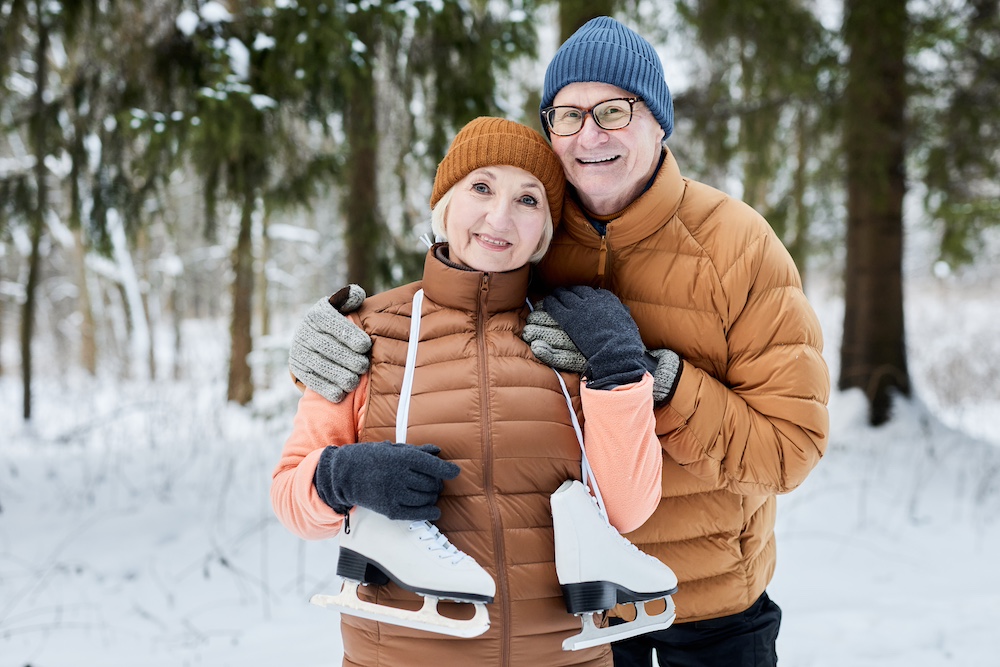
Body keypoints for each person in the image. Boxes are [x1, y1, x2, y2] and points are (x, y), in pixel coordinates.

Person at [287, 16, 830, 667]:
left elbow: (790, 449)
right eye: (567, 115)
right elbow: (450, 317)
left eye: (613, 110)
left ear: (658, 121)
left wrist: (660, 381)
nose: (590, 134)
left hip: (709, 604)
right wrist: (325, 353)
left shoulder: (737, 246)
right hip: (577, 606)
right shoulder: (528, 222)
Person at [272, 117, 672, 667]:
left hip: (564, 657)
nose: (499, 217)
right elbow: (291, 499)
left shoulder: (571, 335)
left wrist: (620, 368)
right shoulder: (365, 332)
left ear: (545, 230)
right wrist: (341, 476)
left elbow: (627, 508)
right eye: (480, 188)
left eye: (528, 200)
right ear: (445, 204)